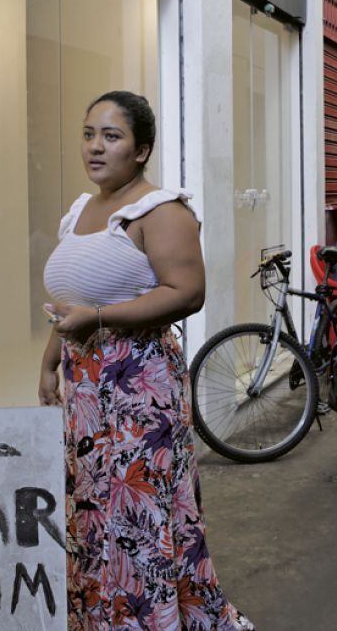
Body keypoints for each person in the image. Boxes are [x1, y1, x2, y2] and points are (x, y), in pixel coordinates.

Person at [40, 91, 254, 631]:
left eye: (111, 137)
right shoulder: (79, 211)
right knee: (93, 511)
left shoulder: (160, 210)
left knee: (136, 512)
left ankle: (150, 618)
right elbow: (72, 298)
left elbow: (187, 292)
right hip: (88, 390)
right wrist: (51, 359)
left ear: (142, 150)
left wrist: (98, 320)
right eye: (88, 134)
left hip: (137, 388)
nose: (94, 147)